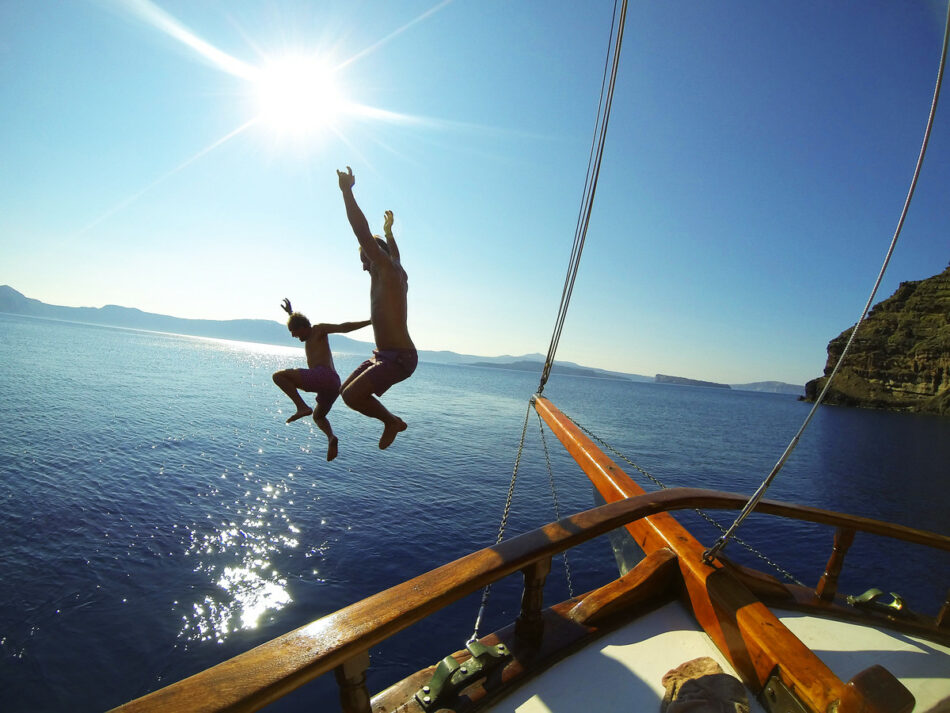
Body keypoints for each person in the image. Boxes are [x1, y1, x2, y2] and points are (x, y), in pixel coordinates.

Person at [336, 166, 417, 449]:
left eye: (365, 258)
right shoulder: (393, 266)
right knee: (343, 391)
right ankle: (390, 420)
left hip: (398, 358)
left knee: (351, 396)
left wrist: (347, 192)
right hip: (384, 354)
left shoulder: (384, 267)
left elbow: (360, 231)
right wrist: (389, 233)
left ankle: (392, 421)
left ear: (375, 254)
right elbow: (394, 253)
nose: (363, 265)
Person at [272, 298, 371, 461]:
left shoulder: (318, 330)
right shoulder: (307, 331)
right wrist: (291, 313)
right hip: (333, 386)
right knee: (318, 416)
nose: (294, 336)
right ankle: (331, 438)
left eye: (295, 332)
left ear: (303, 327)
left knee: (279, 376)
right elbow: (298, 322)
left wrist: (370, 321)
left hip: (323, 375)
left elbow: (344, 328)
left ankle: (302, 407)